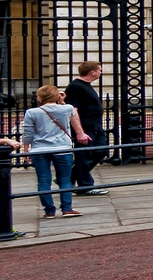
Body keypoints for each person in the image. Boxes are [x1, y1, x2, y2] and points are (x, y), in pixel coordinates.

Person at [18, 82, 90, 218]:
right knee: (65, 179)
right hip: (62, 148)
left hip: (39, 149)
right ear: (57, 96)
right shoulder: (67, 108)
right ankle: (67, 208)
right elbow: (71, 114)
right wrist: (61, 101)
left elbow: (28, 133)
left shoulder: (32, 112)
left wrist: (26, 149)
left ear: (39, 98)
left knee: (43, 180)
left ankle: (49, 210)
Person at [66, 60, 107, 195]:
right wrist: (80, 132)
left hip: (95, 126)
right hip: (85, 128)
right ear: (92, 72)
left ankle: (70, 176)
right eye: (99, 70)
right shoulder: (76, 86)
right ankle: (85, 186)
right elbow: (73, 110)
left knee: (101, 151)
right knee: (84, 156)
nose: (101, 72)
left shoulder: (85, 85)